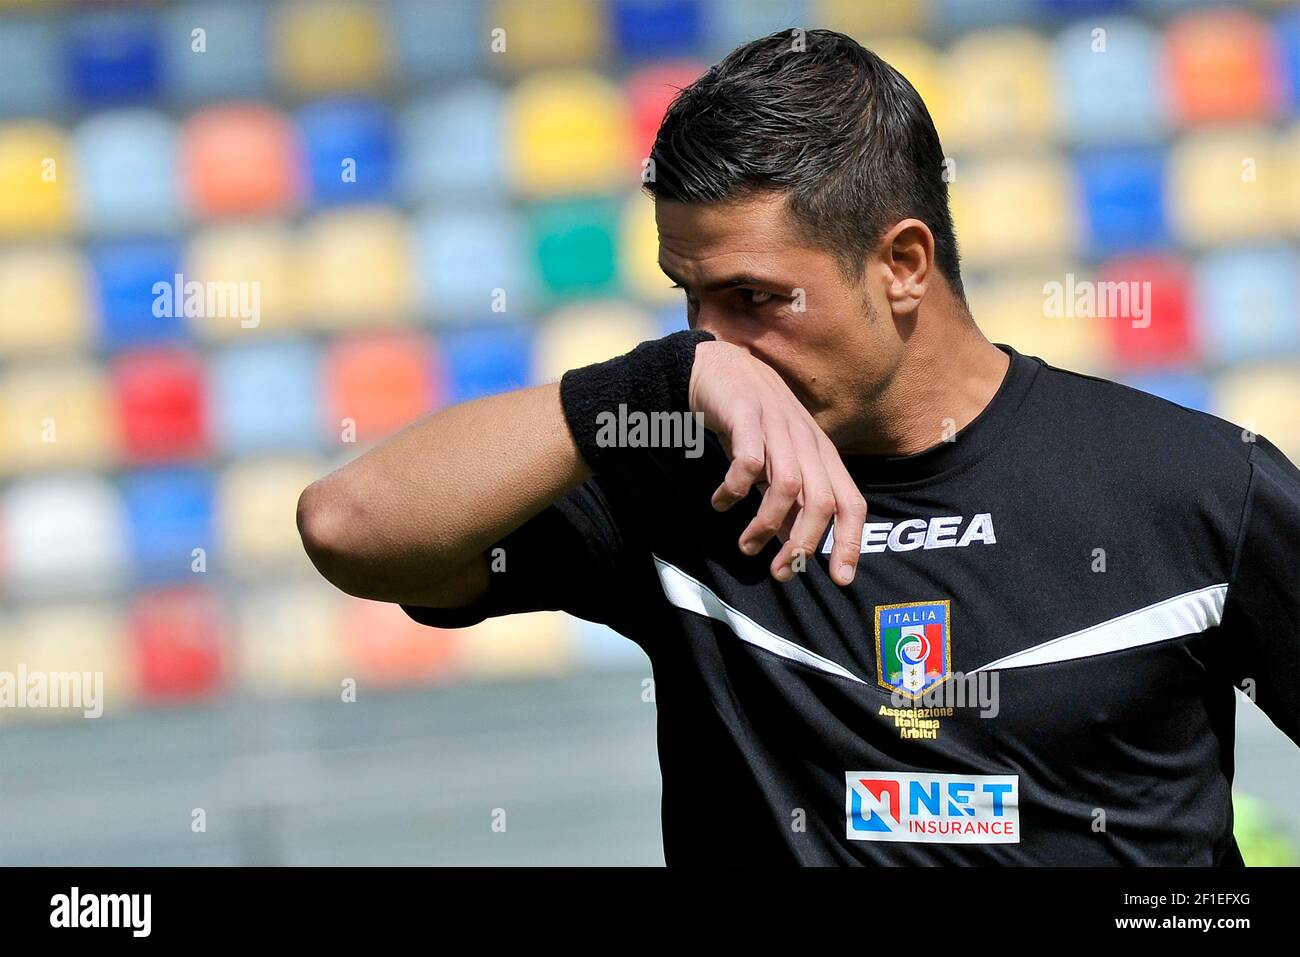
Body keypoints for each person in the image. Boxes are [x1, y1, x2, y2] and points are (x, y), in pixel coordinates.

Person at [297, 29, 1299, 864]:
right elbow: (349, 528)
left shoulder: (1195, 485)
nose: (714, 339)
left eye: (753, 300)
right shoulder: (680, 476)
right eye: (689, 299)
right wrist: (649, 382)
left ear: (901, 263)